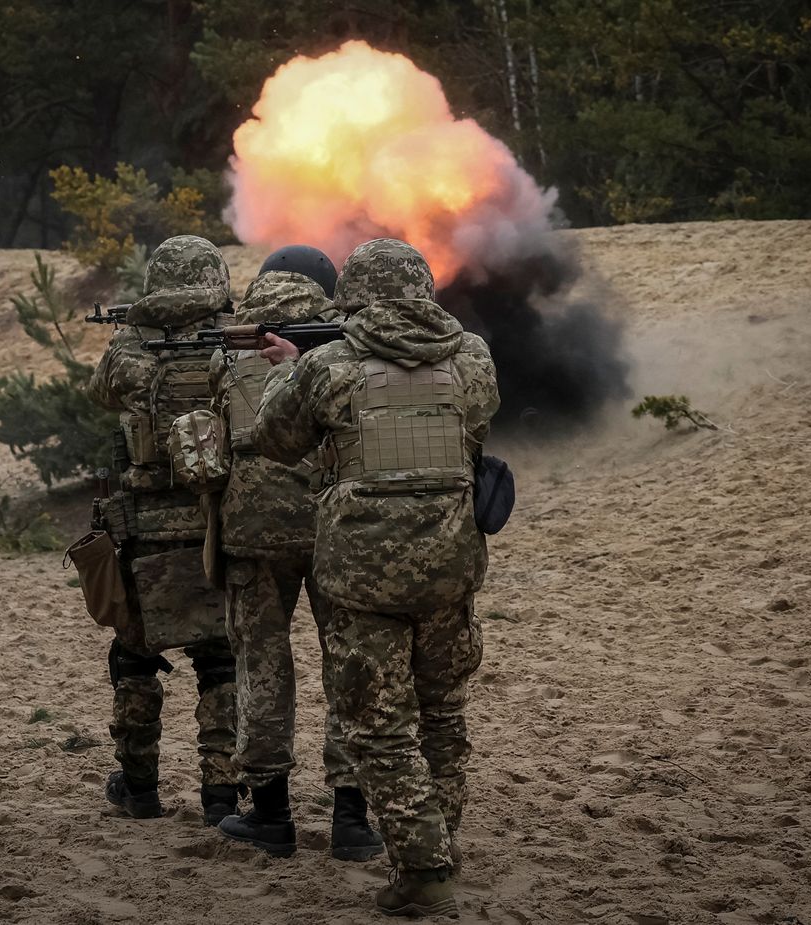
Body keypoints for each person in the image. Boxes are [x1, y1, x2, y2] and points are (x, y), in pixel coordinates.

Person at [254, 238, 499, 917]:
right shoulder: (474, 356)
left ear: (353, 298)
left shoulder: (328, 367)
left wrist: (289, 370)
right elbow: (476, 422)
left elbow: (277, 439)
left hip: (364, 575)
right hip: (452, 565)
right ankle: (440, 842)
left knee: (378, 725)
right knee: (442, 714)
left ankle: (424, 868)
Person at [210, 246, 383, 861]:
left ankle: (272, 815)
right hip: (334, 524)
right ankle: (353, 820)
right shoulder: (347, 350)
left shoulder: (226, 350)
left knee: (262, 665)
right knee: (349, 665)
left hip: (253, 531)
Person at [87, 234, 240, 826]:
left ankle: (140, 786)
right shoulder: (233, 341)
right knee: (221, 661)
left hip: (145, 531)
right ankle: (221, 795)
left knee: (133, 659)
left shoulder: (131, 352)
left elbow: (99, 392)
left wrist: (134, 333)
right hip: (215, 525)